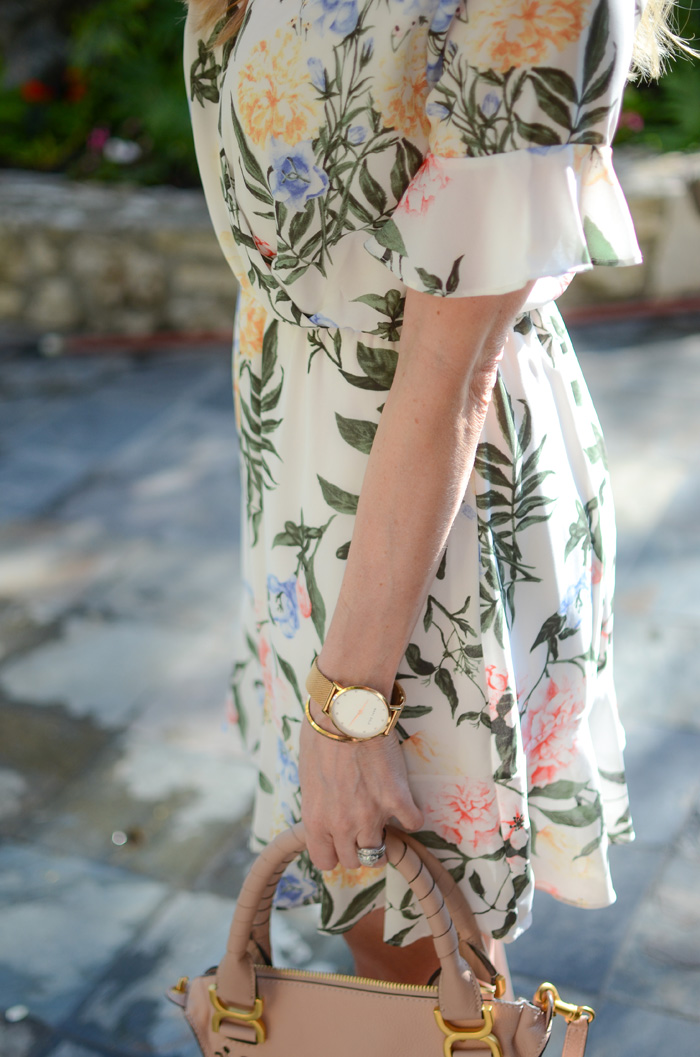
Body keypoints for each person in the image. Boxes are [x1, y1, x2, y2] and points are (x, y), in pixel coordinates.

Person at [182, 0, 674, 987]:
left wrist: (349, 706)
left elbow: (451, 376)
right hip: (301, 472)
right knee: (380, 925)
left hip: (421, 508)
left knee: (416, 942)